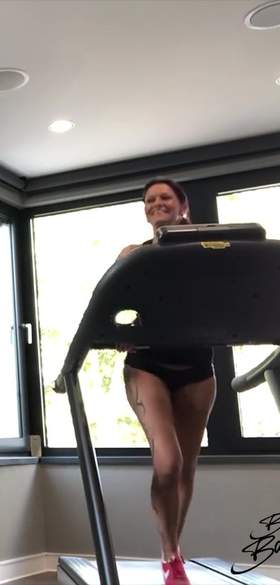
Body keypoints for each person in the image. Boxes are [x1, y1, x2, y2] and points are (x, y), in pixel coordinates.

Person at [117, 178, 215, 585]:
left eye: (165, 198)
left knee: (186, 468)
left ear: (182, 206)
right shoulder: (133, 254)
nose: (156, 203)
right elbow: (112, 305)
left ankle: (174, 552)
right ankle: (169, 554)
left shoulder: (208, 250)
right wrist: (118, 331)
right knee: (168, 463)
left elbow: (228, 296)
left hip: (197, 366)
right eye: (149, 200)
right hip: (147, 364)